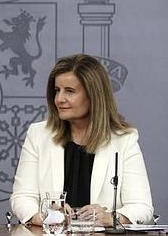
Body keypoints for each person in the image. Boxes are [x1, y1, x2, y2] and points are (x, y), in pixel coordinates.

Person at [10, 54, 153, 226]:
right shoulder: (38, 134)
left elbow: (142, 207)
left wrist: (110, 218)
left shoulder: (124, 140)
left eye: (69, 91)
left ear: (94, 95)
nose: (59, 99)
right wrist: (44, 217)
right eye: (57, 90)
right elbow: (22, 197)